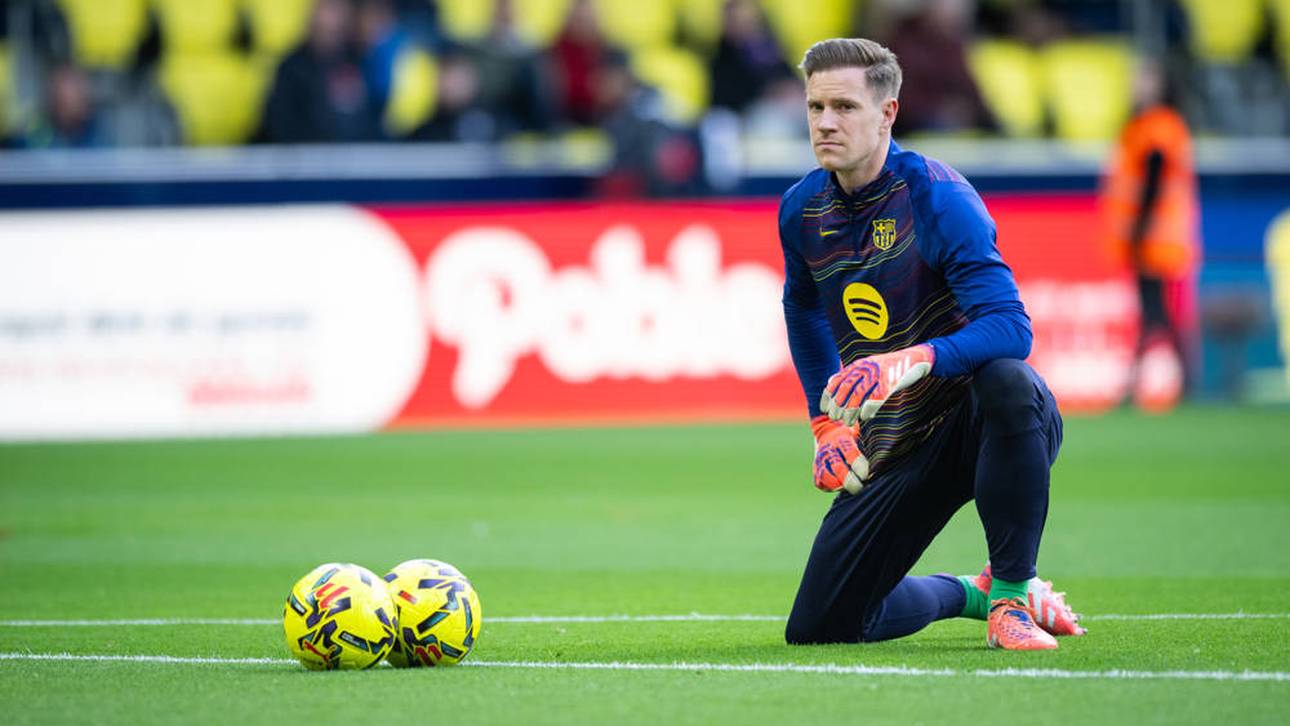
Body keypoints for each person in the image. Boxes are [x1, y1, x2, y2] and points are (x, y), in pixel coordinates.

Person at [778, 38, 1083, 650]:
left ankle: (1012, 597)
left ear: (888, 112)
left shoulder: (938, 197)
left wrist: (911, 360)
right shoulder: (801, 209)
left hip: (977, 421)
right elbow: (802, 307)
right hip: (898, 438)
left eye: (844, 106)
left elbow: (1011, 328)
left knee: (1008, 381)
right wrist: (825, 424)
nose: (826, 122)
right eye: (815, 107)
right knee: (821, 628)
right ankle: (972, 592)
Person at [1100, 59, 1200, 408]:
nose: (1139, 85)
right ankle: (1177, 378)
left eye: (1146, 78)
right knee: (1157, 312)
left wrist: (1139, 230)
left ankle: (1152, 380)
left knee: (1155, 311)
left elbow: (1153, 181)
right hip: (1155, 238)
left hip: (1153, 238)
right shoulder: (1154, 126)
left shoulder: (1156, 127)